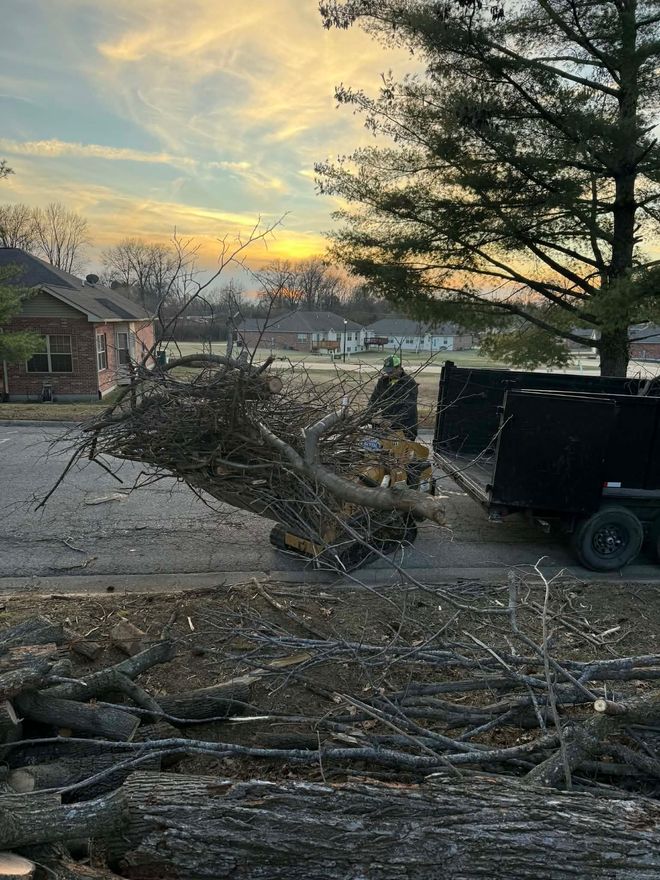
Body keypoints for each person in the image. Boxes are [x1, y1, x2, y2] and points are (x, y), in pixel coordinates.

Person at [368, 354, 419, 440]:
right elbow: (374, 400)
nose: (389, 374)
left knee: (401, 451)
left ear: (399, 368)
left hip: (405, 426)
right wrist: (368, 415)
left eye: (391, 372)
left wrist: (392, 421)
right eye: (387, 372)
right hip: (386, 426)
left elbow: (408, 407)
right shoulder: (382, 382)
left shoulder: (409, 383)